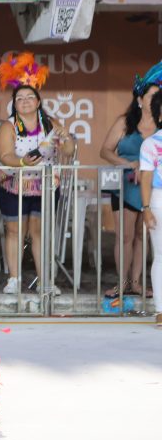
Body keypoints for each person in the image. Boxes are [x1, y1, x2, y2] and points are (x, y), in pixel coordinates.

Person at [0, 53, 74, 296]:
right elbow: (5, 155)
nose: (25, 101)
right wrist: (22, 162)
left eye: (30, 97)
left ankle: (44, 281)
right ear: (14, 104)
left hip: (45, 185)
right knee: (14, 230)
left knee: (39, 232)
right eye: (20, 99)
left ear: (38, 102)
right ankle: (14, 279)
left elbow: (68, 151)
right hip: (14, 184)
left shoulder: (51, 123)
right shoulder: (8, 126)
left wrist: (66, 138)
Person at [99, 61, 162, 298]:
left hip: (149, 187)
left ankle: (136, 282)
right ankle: (122, 282)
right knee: (124, 236)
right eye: (151, 96)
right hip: (124, 186)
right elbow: (105, 151)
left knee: (141, 236)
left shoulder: (160, 126)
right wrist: (128, 164)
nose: (155, 101)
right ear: (139, 99)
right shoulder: (124, 122)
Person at [137, 88, 162, 328]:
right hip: (159, 199)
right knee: (161, 256)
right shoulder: (151, 143)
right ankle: (161, 310)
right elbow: (146, 177)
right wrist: (146, 208)